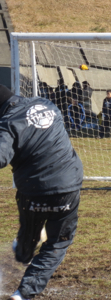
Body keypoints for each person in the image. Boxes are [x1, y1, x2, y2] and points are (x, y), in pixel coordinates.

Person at [0, 84, 83, 300]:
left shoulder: (7, 124)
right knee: (57, 243)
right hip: (68, 185)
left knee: (30, 234)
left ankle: (25, 249)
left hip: (32, 190)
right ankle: (23, 294)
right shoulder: (46, 103)